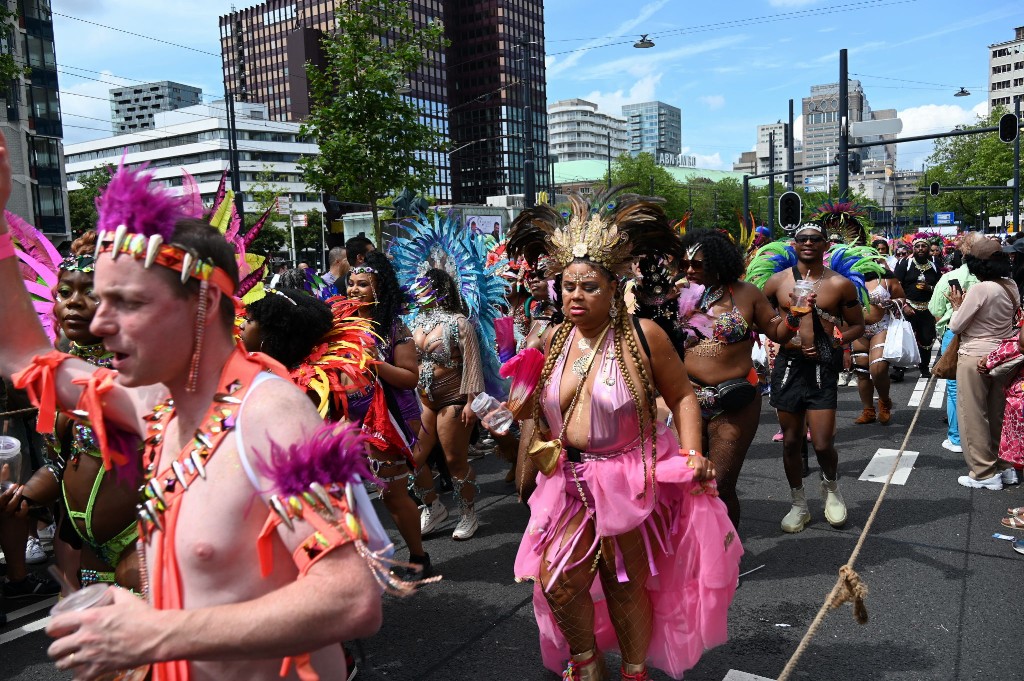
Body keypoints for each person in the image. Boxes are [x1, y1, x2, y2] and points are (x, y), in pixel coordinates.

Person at [0, 154, 384, 679]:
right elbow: (25, 356)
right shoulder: (154, 405)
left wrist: (155, 633)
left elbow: (351, 597)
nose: (102, 322)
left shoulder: (271, 416)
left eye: (126, 302)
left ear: (200, 304)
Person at [507, 193, 741, 681]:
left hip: (630, 478)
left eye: (589, 286)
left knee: (625, 585)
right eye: (568, 286)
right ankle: (586, 662)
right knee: (557, 581)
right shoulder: (551, 341)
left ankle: (634, 671)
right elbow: (535, 411)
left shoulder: (644, 336)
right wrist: (514, 406)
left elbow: (682, 397)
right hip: (568, 480)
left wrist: (695, 453)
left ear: (615, 286)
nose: (576, 296)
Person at [4, 230, 145, 593]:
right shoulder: (61, 372)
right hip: (92, 550)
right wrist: (26, 494)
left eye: (92, 294)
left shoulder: (146, 374)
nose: (73, 304)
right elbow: (62, 462)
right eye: (65, 293)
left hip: (144, 537)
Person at [676, 229, 795, 529]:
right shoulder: (675, 293)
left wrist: (795, 315)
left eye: (698, 264)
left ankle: (725, 559)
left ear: (719, 262)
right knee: (685, 481)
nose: (690, 270)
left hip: (735, 400)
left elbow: (776, 330)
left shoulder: (746, 294)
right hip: (686, 400)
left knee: (721, 483)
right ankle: (693, 554)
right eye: (686, 263)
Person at [760, 225, 866, 533]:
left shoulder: (840, 284)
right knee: (791, 442)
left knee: (821, 444)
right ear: (793, 245)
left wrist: (837, 342)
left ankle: (831, 489)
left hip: (822, 368)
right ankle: (799, 504)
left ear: (825, 245)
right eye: (803, 239)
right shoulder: (777, 282)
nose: (808, 243)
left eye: (814, 239)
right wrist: (782, 330)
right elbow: (764, 320)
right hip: (788, 367)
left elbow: (857, 326)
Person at [345, 251, 431, 574]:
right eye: (351, 283)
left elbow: (410, 377)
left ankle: (419, 555)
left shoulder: (395, 327)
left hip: (388, 420)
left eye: (363, 284)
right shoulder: (342, 326)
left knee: (392, 495)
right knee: (349, 495)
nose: (354, 290)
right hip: (350, 419)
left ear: (379, 288)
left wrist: (374, 363)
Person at [406, 267, 485, 541]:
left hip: (453, 400)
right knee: (413, 460)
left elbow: (473, 363)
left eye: (422, 286)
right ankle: (433, 507)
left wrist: (471, 401)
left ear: (438, 290)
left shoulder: (458, 322)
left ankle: (468, 513)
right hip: (424, 401)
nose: (416, 291)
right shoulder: (415, 322)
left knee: (454, 461)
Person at [947, 238, 1020, 491]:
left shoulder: (981, 289)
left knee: (973, 415)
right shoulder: (1011, 285)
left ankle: (983, 472)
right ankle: (1005, 466)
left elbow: (956, 325)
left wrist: (957, 306)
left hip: (974, 355)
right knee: (999, 413)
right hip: (1004, 356)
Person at [928, 232, 982, 453]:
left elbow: (935, 309)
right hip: (990, 335)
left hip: (956, 334)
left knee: (954, 388)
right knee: (986, 387)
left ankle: (957, 437)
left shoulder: (952, 277)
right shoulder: (1000, 281)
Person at [851, 264, 905, 425]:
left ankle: (884, 402)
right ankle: (868, 411)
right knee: (861, 371)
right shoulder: (848, 279)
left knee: (878, 368)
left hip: (881, 327)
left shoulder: (886, 279)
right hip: (858, 329)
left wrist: (891, 303)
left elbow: (902, 297)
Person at [894, 236, 941, 377]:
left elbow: (940, 288)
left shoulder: (934, 265)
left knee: (926, 338)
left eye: (923, 246)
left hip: (927, 309)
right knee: (905, 338)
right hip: (908, 307)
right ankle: (899, 369)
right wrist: (904, 305)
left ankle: (924, 367)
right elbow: (896, 286)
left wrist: (929, 288)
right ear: (913, 249)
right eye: (917, 246)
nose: (920, 249)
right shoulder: (905, 264)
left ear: (928, 249)